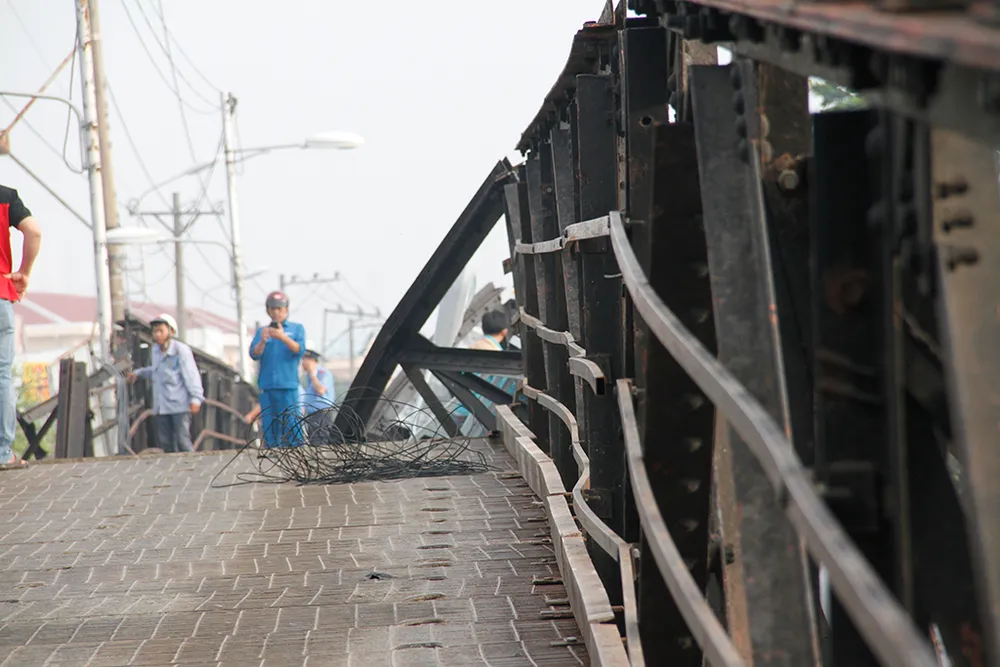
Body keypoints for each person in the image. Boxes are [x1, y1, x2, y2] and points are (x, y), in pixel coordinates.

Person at [0, 186, 41, 470]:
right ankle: (2, 453)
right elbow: (34, 232)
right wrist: (24, 272)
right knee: (1, 374)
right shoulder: (5, 196)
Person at [128, 314, 204, 453]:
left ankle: (193, 465)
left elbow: (191, 375)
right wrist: (139, 373)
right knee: (166, 444)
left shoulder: (180, 350)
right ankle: (172, 467)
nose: (157, 335)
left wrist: (196, 398)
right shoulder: (155, 351)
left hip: (179, 406)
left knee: (182, 441)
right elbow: (156, 371)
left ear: (171, 331)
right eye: (155, 331)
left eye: (161, 331)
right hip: (161, 406)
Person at [250, 291, 306, 448]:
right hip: (267, 386)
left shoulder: (297, 329)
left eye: (279, 308)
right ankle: (272, 452)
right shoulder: (262, 331)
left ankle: (296, 452)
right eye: (272, 308)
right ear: (268, 310)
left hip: (288, 386)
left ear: (286, 309)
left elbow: (299, 350)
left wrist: (282, 337)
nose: (276, 312)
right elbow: (254, 354)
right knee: (270, 425)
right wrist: (263, 341)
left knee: (292, 423)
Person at [301, 348, 337, 442]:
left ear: (312, 360)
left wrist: (313, 375)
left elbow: (320, 390)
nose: (302, 363)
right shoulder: (308, 376)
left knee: (320, 442)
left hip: (322, 414)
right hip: (313, 415)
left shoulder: (322, 373)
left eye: (304, 360)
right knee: (313, 441)